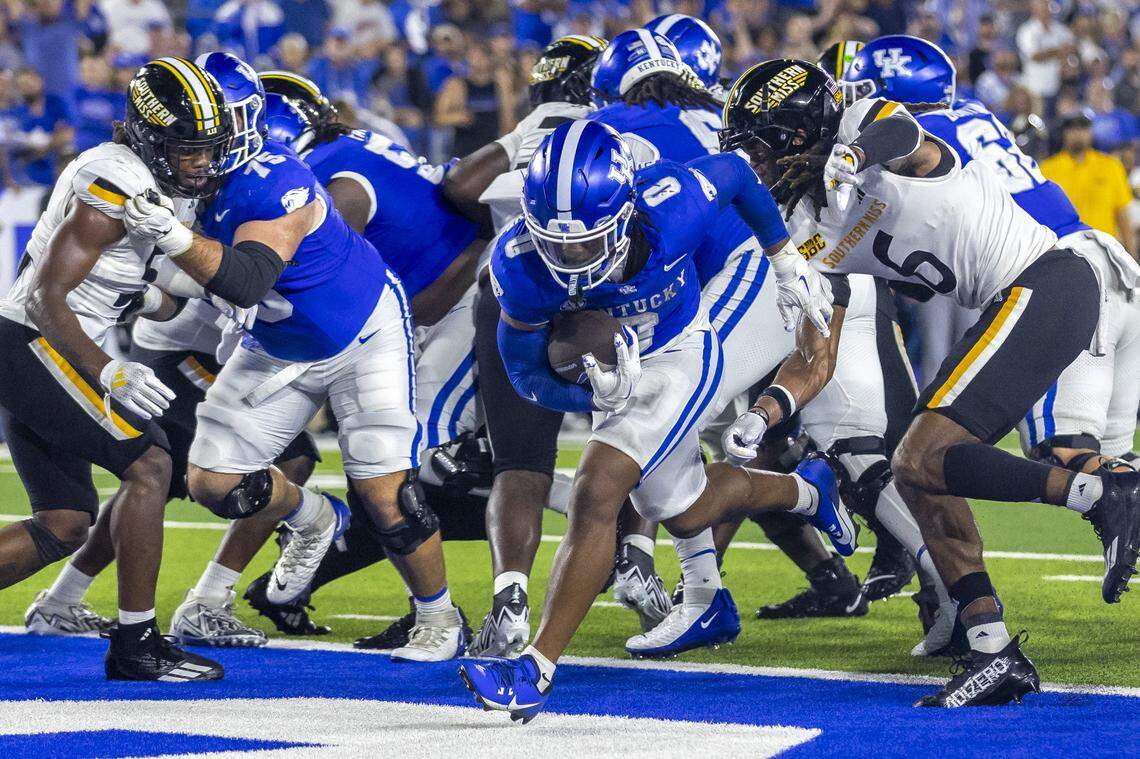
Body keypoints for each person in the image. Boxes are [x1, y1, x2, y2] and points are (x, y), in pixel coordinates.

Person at [718, 59, 1140, 707]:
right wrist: (769, 410)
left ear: (800, 134)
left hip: (1050, 278)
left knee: (921, 455)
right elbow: (816, 354)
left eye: (762, 149)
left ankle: (1104, 491)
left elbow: (906, 138)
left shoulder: (867, 125)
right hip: (1007, 300)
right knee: (918, 468)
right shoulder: (805, 230)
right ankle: (992, 646)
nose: (758, 169)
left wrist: (853, 156)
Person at [458, 119, 847, 722]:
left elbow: (740, 172)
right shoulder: (519, 266)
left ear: (625, 210)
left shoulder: (672, 203)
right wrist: (588, 393)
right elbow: (525, 378)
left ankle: (535, 668)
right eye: (556, 244)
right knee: (683, 507)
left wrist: (784, 255)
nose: (571, 261)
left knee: (597, 489)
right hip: (621, 373)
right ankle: (804, 491)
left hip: (683, 349)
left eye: (587, 242)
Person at [120, 52, 464, 663]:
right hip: (279, 342)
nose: (200, 152)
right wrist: (136, 294)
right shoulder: (172, 185)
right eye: (187, 139)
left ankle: (439, 616)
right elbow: (191, 295)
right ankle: (312, 517)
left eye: (210, 136)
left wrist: (171, 239)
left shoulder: (272, 174)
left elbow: (247, 279)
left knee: (387, 494)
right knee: (214, 482)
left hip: (363, 332)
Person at [849, 35, 1140, 550]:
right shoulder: (976, 115)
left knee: (1064, 453)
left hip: (1060, 274)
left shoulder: (920, 134)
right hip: (1108, 265)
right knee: (1114, 461)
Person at [0, 57, 232, 681]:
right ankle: (137, 645)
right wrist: (110, 370)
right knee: (151, 463)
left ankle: (133, 641)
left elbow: (113, 287)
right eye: (187, 149)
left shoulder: (132, 180)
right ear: (153, 136)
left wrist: (191, 310)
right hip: (33, 341)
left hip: (34, 344)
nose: (199, 163)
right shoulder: (116, 181)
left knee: (65, 522)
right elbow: (50, 297)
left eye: (206, 149)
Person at [441, 34, 608, 657]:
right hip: (606, 299)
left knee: (520, 463)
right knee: (634, 446)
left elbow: (461, 186)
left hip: (517, 291)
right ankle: (651, 567)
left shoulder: (539, 128)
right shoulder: (624, 129)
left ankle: (510, 596)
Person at [1040, 112, 1137, 258]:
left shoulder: (1111, 166)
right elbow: (1041, 217)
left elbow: (1122, 215)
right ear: (1064, 132)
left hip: (1104, 252)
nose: (1078, 133)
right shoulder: (1047, 169)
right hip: (1063, 252)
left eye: (1083, 128)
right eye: (1072, 129)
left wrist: (1132, 255)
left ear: (1090, 131)